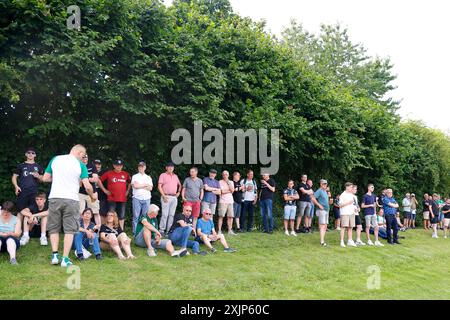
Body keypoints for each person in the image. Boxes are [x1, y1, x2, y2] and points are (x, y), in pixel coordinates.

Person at [43, 144, 96, 267]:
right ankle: (65, 259)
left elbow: (45, 178)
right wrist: (92, 196)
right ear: (79, 153)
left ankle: (55, 255)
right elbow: (87, 186)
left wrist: (58, 178)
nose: (83, 158)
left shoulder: (55, 159)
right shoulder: (80, 165)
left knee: (54, 227)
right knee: (70, 230)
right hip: (71, 199)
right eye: (82, 156)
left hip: (54, 197)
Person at [98, 159, 131, 230]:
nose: (119, 167)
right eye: (117, 165)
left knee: (121, 216)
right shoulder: (109, 173)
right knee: (110, 215)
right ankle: (109, 230)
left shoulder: (125, 174)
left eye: (120, 165)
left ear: (122, 166)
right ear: (114, 165)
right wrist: (105, 190)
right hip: (111, 198)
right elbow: (99, 180)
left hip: (122, 198)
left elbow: (130, 182)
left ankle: (121, 231)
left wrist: (128, 191)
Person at [12, 147, 43, 212]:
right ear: (26, 154)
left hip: (34, 192)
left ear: (35, 155)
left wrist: (38, 177)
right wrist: (16, 186)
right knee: (21, 210)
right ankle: (20, 222)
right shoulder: (21, 165)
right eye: (28, 153)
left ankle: (30, 222)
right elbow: (14, 177)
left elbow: (42, 180)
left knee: (33, 210)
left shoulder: (38, 166)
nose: (30, 154)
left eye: (32, 153)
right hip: (22, 191)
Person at [157, 161, 182, 236]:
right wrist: (163, 195)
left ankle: (169, 231)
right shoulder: (163, 175)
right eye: (169, 167)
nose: (171, 168)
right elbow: (159, 186)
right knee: (165, 214)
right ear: (166, 168)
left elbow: (180, 185)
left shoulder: (175, 176)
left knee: (171, 215)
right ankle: (161, 230)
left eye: (172, 167)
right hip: (166, 196)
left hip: (174, 197)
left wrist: (178, 193)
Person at [78, 153, 101, 227]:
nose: (84, 159)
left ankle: (98, 231)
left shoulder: (92, 166)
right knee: (80, 212)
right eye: (83, 157)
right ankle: (79, 230)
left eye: (86, 157)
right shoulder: (78, 166)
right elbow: (78, 182)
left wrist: (85, 179)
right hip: (80, 192)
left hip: (92, 192)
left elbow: (95, 179)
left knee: (96, 212)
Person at [131, 161, 153, 233]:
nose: (141, 168)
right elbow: (135, 186)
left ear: (145, 167)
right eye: (140, 166)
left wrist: (140, 185)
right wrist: (145, 185)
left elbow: (150, 188)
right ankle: (135, 232)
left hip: (146, 198)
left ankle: (143, 231)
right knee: (136, 216)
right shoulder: (135, 176)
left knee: (145, 216)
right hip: (137, 198)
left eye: (142, 166)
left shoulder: (148, 177)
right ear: (138, 167)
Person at [182, 167, 204, 231]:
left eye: (192, 172)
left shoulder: (200, 180)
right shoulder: (187, 180)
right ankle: (184, 229)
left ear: (196, 172)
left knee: (195, 216)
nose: (191, 173)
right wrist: (183, 197)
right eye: (190, 172)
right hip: (188, 200)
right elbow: (183, 189)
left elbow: (202, 191)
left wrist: (200, 199)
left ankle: (193, 231)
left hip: (197, 201)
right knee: (186, 215)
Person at [310, 179, 331, 246]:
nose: (325, 185)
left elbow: (326, 202)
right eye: (323, 184)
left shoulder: (325, 191)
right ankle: (322, 242)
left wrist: (330, 202)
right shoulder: (319, 191)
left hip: (326, 210)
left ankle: (323, 240)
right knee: (322, 225)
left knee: (325, 226)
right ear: (320, 184)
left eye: (325, 184)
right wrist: (319, 205)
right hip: (322, 210)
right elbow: (312, 198)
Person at [338, 182, 357, 247]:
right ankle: (342, 241)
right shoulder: (342, 195)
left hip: (351, 213)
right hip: (345, 213)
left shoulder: (351, 195)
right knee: (343, 227)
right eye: (351, 187)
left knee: (350, 227)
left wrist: (355, 208)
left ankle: (349, 241)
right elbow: (340, 205)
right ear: (347, 187)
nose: (352, 188)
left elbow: (353, 204)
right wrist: (348, 203)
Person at [218, 170, 236, 235]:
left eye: (226, 174)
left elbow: (232, 190)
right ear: (222, 175)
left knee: (230, 216)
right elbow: (221, 191)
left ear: (228, 175)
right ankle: (219, 231)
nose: (225, 175)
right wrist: (229, 190)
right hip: (222, 201)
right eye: (224, 174)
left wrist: (228, 184)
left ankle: (230, 230)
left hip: (230, 201)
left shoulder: (231, 182)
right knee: (221, 216)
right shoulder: (220, 182)